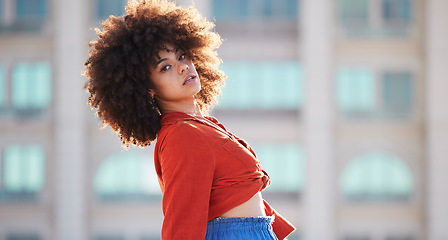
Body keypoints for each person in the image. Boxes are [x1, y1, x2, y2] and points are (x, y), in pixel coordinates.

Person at [84, 0, 296, 239]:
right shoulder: (182, 134)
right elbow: (181, 223)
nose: (183, 67)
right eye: (165, 67)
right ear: (147, 89)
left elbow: (233, 194)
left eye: (182, 56)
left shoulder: (200, 126)